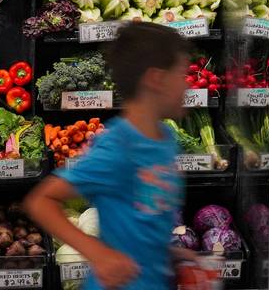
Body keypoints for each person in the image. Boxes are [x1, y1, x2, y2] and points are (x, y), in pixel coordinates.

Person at [24, 23, 193, 289]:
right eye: (182, 74)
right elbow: (41, 201)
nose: (188, 85)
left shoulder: (166, 139)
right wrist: (98, 253)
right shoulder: (118, 146)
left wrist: (169, 255)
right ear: (156, 79)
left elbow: (145, 218)